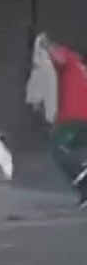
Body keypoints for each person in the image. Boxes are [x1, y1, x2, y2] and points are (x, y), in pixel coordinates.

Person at [26, 32, 87, 207]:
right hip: (82, 119)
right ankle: (84, 191)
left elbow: (58, 57)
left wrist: (46, 45)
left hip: (72, 118)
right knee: (74, 150)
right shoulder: (81, 66)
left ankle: (83, 174)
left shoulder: (68, 56)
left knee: (58, 150)